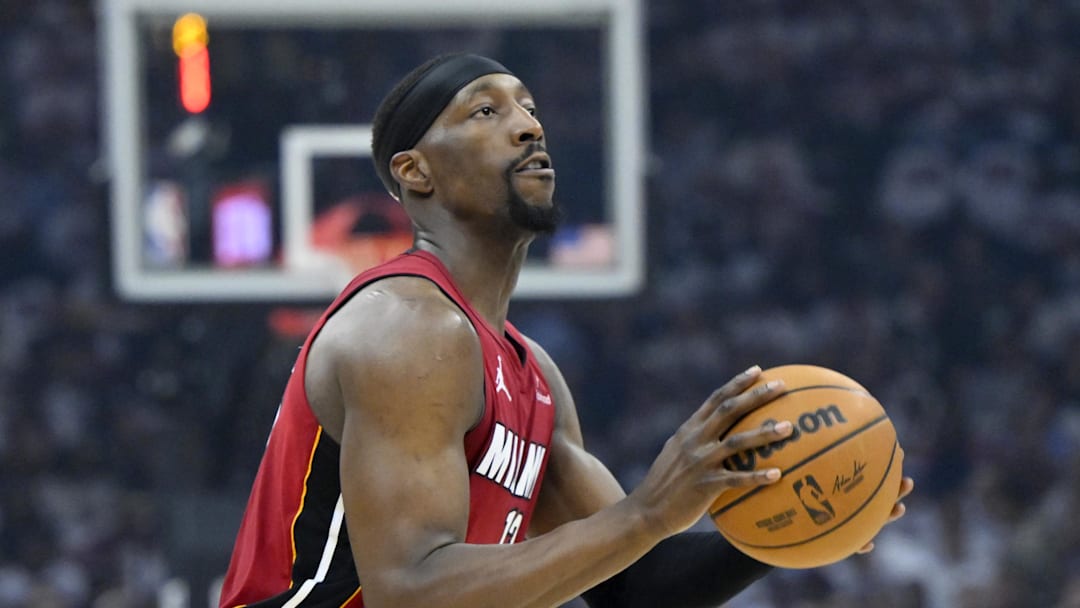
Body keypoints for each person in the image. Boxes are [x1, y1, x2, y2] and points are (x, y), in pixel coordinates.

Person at [218, 53, 914, 608]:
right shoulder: (409, 325)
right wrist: (647, 513)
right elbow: (411, 590)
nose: (528, 126)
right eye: (486, 112)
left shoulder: (531, 373)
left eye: (529, 107)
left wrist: (800, 518)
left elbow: (634, 588)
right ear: (415, 172)